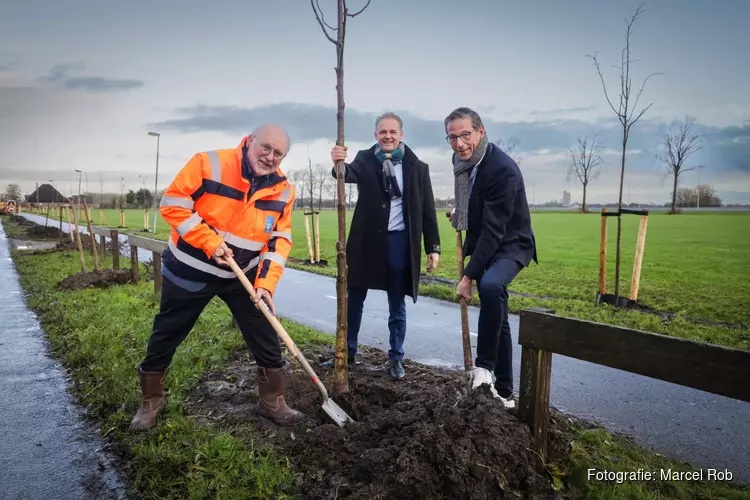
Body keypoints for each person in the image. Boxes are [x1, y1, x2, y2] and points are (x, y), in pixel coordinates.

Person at [130, 124, 303, 429]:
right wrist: (210, 242)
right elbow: (173, 205)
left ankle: (272, 401)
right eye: (265, 147)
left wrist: (264, 286)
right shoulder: (208, 163)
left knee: (265, 331)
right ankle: (150, 401)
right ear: (249, 141)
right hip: (189, 269)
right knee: (167, 332)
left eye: (278, 153)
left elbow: (279, 242)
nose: (270, 156)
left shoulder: (284, 191)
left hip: (242, 275)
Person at [328, 112, 441, 380]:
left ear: (401, 135)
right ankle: (348, 353)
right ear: (375, 135)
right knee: (353, 298)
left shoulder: (418, 167)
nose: (387, 136)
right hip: (366, 242)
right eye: (382, 132)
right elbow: (346, 174)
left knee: (396, 302)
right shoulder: (366, 159)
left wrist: (432, 247)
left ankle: (396, 357)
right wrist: (337, 161)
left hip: (399, 243)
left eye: (393, 132)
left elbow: (427, 209)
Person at [445, 107, 537, 408]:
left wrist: (468, 277)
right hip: (488, 241)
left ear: (481, 132)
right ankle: (506, 392)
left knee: (491, 286)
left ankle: (483, 370)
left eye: (466, 135)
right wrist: (460, 215)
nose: (459, 144)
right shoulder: (463, 163)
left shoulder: (502, 169)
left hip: (511, 243)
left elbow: (495, 229)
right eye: (453, 138)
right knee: (499, 315)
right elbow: (473, 204)